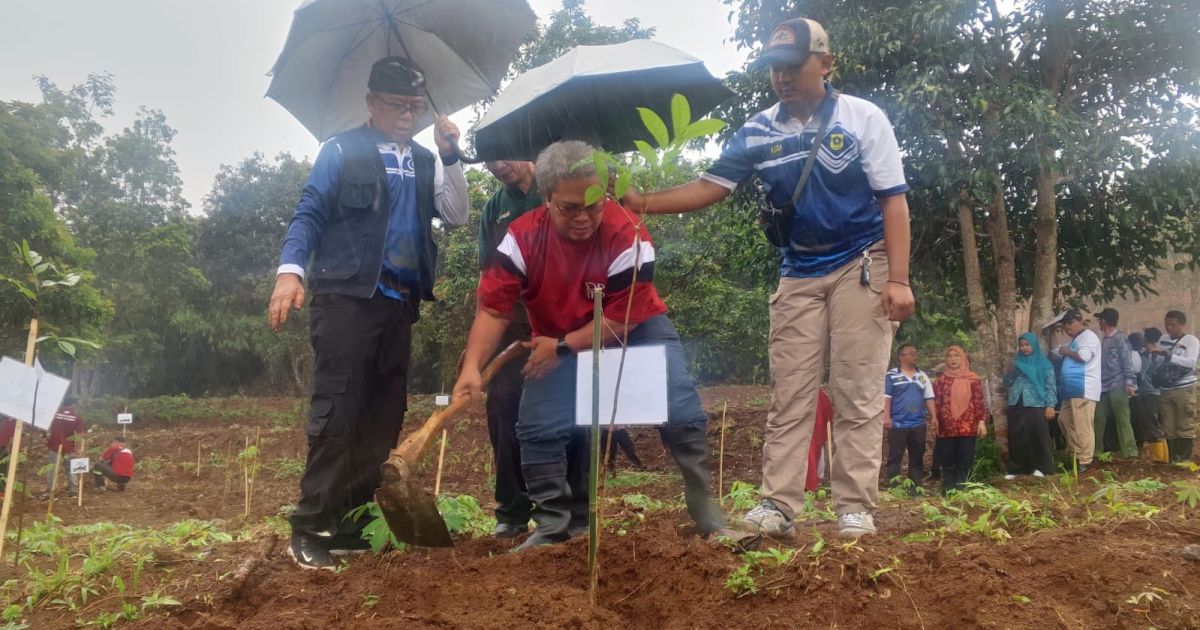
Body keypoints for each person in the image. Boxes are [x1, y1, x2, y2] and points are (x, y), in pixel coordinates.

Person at [622, 17, 914, 539]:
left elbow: (893, 200)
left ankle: (854, 507)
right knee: (791, 393)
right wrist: (642, 203)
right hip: (798, 269)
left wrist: (901, 279)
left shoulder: (862, 117)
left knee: (857, 389)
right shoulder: (756, 129)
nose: (781, 77)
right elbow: (711, 186)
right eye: (774, 68)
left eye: (792, 65)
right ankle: (778, 506)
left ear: (824, 64)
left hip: (862, 265)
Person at [453, 141, 739, 549]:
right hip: (559, 333)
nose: (584, 217)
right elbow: (495, 310)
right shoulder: (521, 238)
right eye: (569, 208)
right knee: (536, 423)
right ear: (546, 197)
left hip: (633, 327)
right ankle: (553, 526)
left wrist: (564, 348)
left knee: (679, 409)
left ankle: (708, 517)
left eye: (594, 204)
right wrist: (471, 367)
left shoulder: (628, 231)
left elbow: (625, 317)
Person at [267, 56, 469, 570]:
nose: (407, 114)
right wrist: (291, 271)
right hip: (346, 300)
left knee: (383, 414)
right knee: (339, 408)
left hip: (399, 303)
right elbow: (309, 211)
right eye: (397, 104)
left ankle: (351, 522)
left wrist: (451, 156)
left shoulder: (426, 160)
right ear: (372, 103)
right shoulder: (340, 150)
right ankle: (310, 525)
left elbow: (455, 215)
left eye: (415, 106)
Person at [478, 159, 545, 538]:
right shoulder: (493, 208)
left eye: (505, 156)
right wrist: (480, 346)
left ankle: (564, 505)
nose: (498, 166)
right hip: (509, 322)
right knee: (503, 409)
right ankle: (512, 510)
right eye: (489, 161)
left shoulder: (556, 187)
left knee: (562, 409)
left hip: (558, 321)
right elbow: (486, 277)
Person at [1051, 309, 1102, 472]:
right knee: (1064, 420)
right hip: (1071, 389)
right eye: (1064, 325)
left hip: (1083, 388)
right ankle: (1075, 454)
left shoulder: (1089, 338)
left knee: (1082, 425)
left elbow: (1084, 356)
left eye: (1070, 323)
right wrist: (1051, 332)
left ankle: (1085, 460)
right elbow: (1055, 351)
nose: (1067, 328)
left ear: (1080, 321)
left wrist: (1065, 351)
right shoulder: (1076, 340)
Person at [932, 346, 987, 493]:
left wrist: (981, 421)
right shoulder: (940, 381)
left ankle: (962, 489)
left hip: (967, 426)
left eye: (956, 356)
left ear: (962, 358)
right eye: (950, 356)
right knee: (947, 460)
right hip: (946, 426)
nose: (953, 359)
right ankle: (949, 489)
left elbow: (978, 401)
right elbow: (936, 402)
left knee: (965, 460)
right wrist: (934, 421)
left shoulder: (973, 378)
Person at [1003, 333, 1057, 478]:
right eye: (1022, 345)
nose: (1025, 348)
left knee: (1038, 436)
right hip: (1017, 401)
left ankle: (1042, 468)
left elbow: (1050, 385)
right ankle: (1017, 469)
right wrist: (1011, 370)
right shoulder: (1016, 362)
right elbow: (1007, 382)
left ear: (1034, 345)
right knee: (1017, 436)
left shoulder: (1044, 363)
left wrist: (1050, 405)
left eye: (1027, 345)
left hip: (1037, 403)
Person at [882, 344, 936, 492]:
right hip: (898, 423)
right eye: (911, 353)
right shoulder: (891, 375)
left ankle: (915, 487)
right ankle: (894, 487)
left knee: (917, 456)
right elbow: (887, 397)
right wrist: (886, 417)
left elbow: (929, 398)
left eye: (916, 353)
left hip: (918, 423)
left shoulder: (922, 376)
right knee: (895, 456)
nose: (915, 356)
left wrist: (934, 417)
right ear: (901, 357)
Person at [1092, 308, 1137, 459]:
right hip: (1103, 387)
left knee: (1122, 419)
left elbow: (1127, 361)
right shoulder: (1103, 339)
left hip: (1118, 384)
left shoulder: (1120, 338)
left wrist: (1129, 383)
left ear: (1103, 322)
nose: (1098, 323)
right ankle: (1095, 452)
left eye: (1099, 320)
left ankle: (1130, 454)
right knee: (1098, 419)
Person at [1155, 310, 1197, 463]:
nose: (1169, 328)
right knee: (1169, 426)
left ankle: (1184, 458)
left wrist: (1168, 355)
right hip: (1166, 389)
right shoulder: (1163, 339)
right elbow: (1158, 363)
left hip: (1184, 388)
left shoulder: (1191, 340)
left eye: (1172, 324)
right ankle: (1173, 458)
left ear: (1182, 324)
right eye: (1167, 324)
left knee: (1184, 424)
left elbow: (1191, 362)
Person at [1136, 327, 1170, 462]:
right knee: (1158, 427)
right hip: (1158, 393)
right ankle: (1165, 458)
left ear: (1146, 338)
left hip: (1147, 393)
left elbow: (1142, 375)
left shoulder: (1147, 355)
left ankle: (1159, 460)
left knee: (1151, 427)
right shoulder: (1162, 354)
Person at [44, 395, 85, 496]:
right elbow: (79, 435)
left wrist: (44, 438)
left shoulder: (55, 414)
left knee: (52, 468)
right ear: (73, 404)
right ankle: (73, 491)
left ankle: (50, 491)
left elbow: (45, 426)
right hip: (69, 447)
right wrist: (79, 448)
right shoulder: (77, 417)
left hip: (54, 445)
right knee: (71, 468)